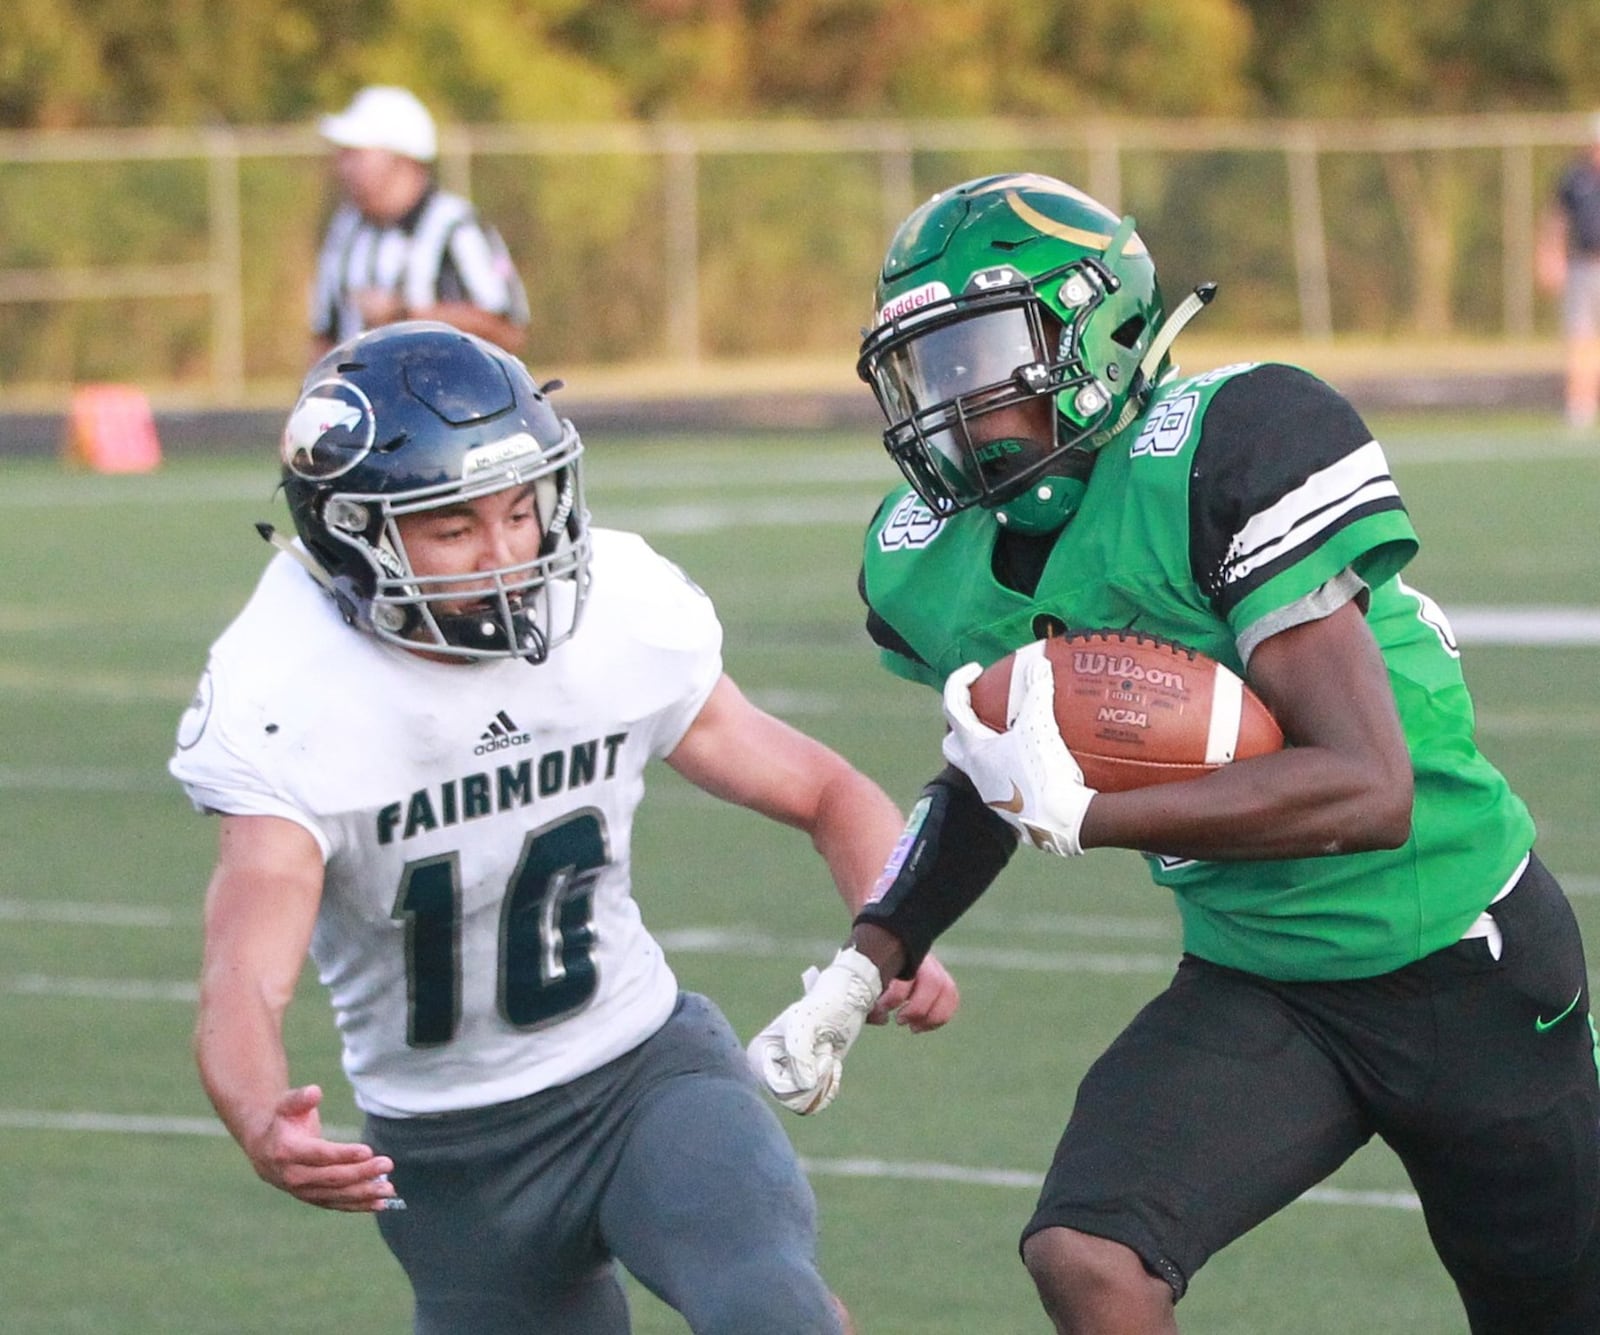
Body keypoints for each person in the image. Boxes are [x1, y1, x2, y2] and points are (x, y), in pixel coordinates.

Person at [748, 174, 1600, 1333]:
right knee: (1089, 1254)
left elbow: (1367, 784)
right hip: (1262, 979)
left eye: (983, 357)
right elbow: (998, 767)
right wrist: (866, 962)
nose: (952, 404)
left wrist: (1090, 815)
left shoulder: (1228, 449)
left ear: (1099, 333)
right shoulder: (932, 557)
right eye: (927, 370)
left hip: (1464, 963)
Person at [169, 321, 958, 1334]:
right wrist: (256, 1111)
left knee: (772, 1309)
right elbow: (242, 971)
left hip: (644, 1075)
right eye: (453, 529)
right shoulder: (291, 689)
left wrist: (894, 922)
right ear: (348, 535)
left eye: (519, 511)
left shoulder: (612, 607)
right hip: (451, 1155)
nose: (507, 555)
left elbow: (826, 791)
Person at [308, 86, 529, 362]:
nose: (344, 166)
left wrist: (407, 316)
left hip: (444, 402)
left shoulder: (455, 226)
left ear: (402, 158)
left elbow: (508, 330)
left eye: (358, 154)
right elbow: (324, 335)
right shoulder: (346, 228)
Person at [1536, 113, 1600, 431]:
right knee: (1581, 339)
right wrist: (1549, 256)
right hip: (1585, 266)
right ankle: (1580, 406)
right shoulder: (1576, 178)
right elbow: (1556, 219)